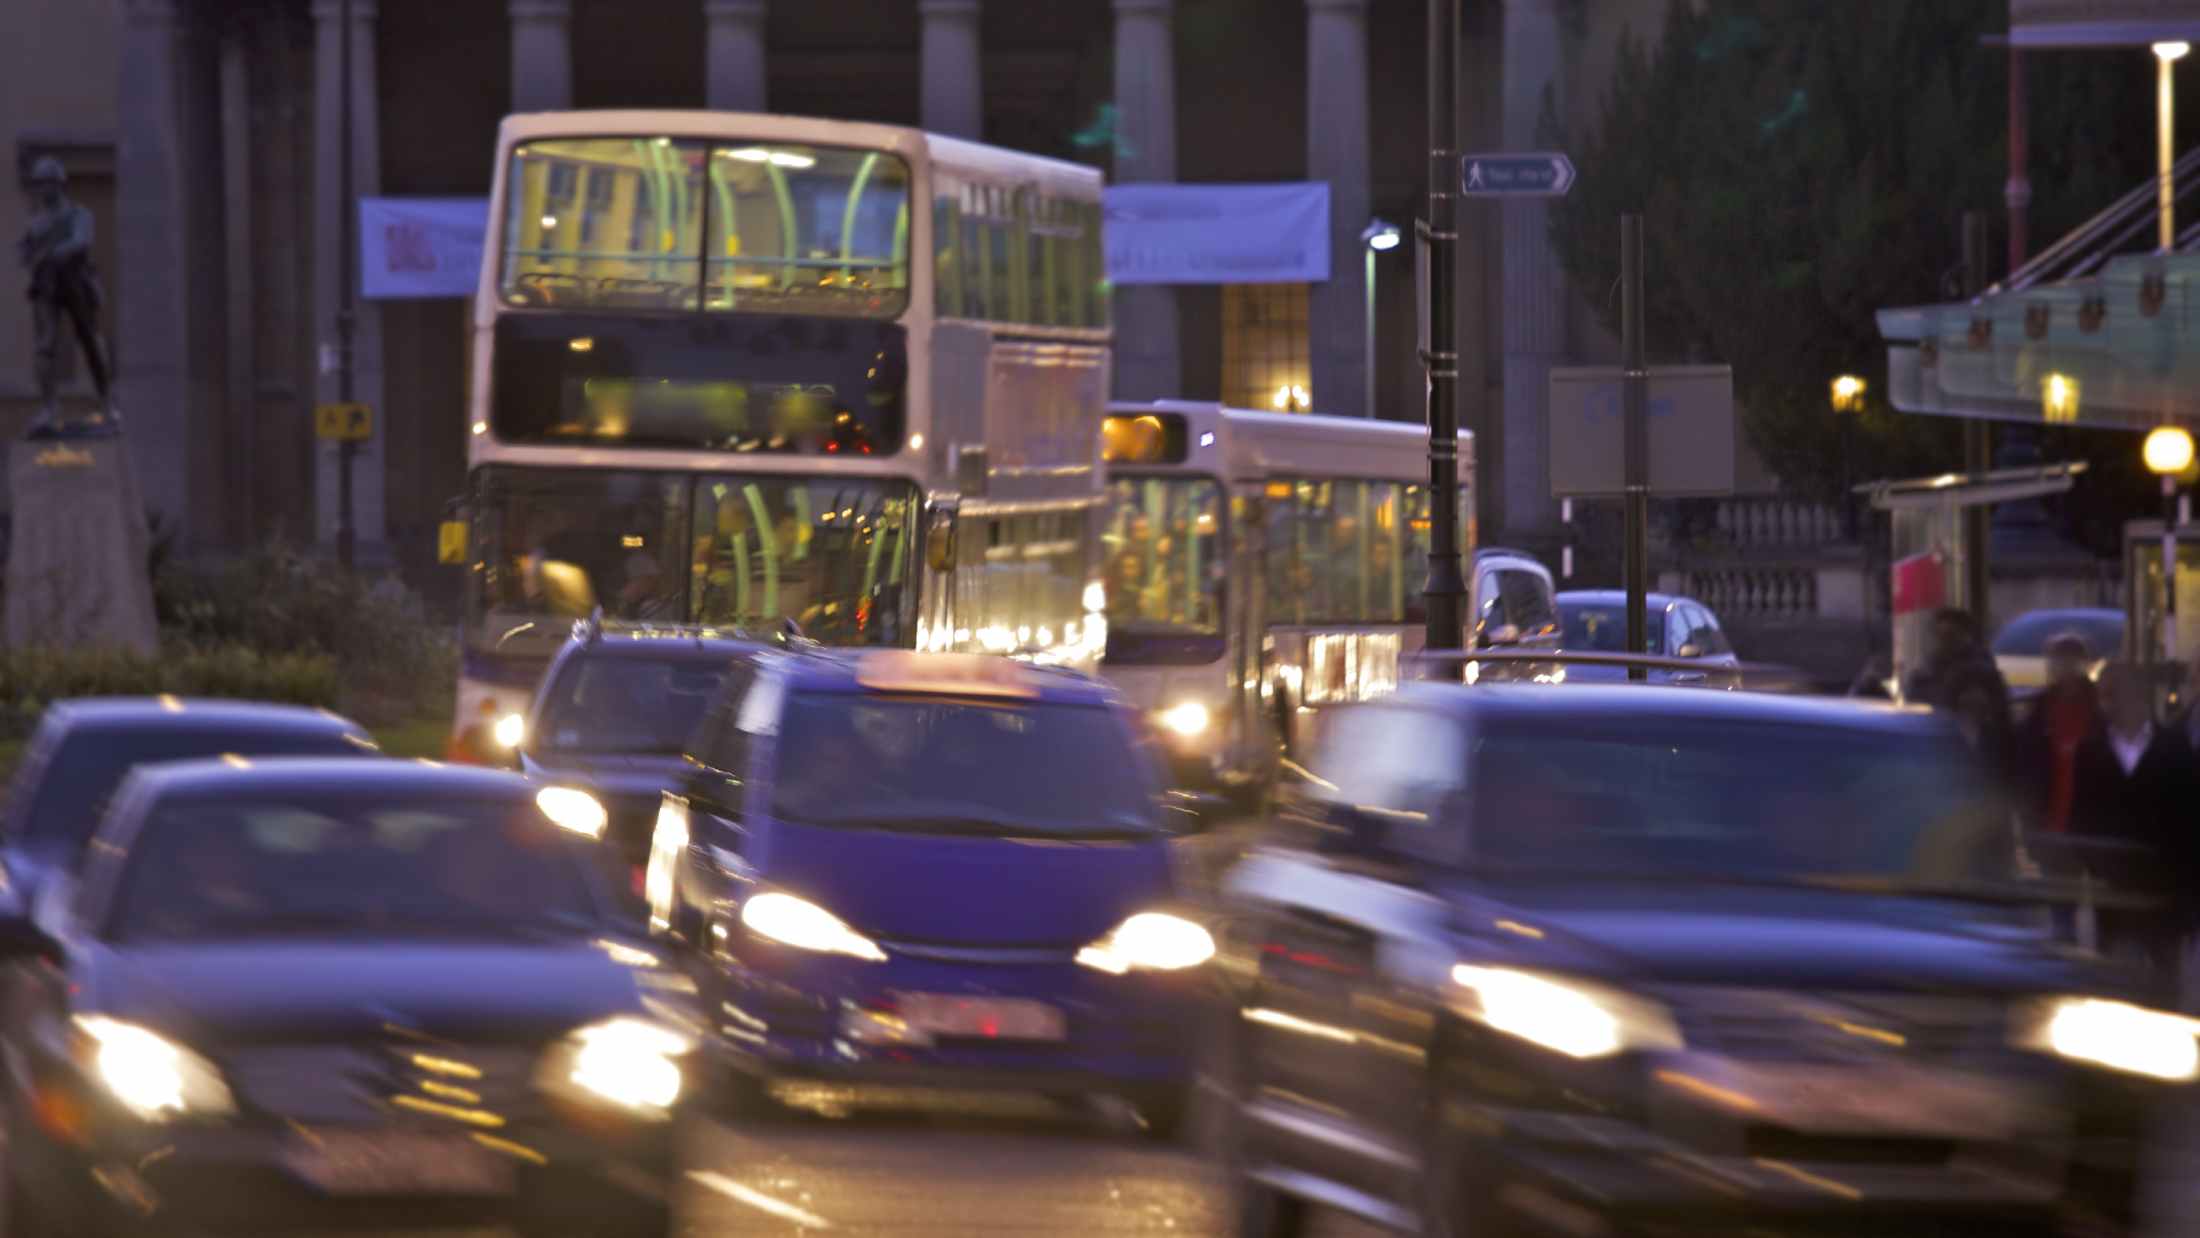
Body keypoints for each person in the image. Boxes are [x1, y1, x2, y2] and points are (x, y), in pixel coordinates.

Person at [17, 157, 113, 427]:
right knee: (44, 346)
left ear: (59, 184)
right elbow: (23, 251)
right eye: (38, 183)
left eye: (47, 182)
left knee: (90, 339)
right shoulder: (35, 222)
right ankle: (49, 406)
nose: (42, 189)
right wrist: (31, 256)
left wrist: (51, 252)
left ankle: (106, 400)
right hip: (46, 285)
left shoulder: (79, 214)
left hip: (75, 281)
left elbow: (81, 241)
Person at [2012, 633, 2103, 834]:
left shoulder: (2099, 707)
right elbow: (2026, 760)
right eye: (2060, 661)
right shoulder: (2040, 709)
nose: (2066, 668)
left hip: (2089, 810)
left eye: (2072, 661)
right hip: (2050, 810)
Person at [1904, 608, 2013, 770]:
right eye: (1940, 636)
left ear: (1964, 636)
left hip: (1966, 760)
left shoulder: (1979, 673)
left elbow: (1995, 721)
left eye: (1951, 635)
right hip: (1933, 754)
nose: (1944, 642)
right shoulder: (1926, 673)